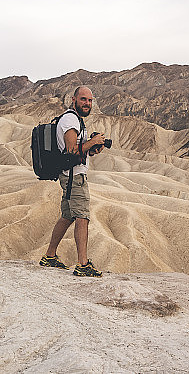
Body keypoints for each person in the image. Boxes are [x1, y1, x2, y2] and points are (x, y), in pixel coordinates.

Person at [39, 86, 107, 277]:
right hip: (74, 178)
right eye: (84, 99)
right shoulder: (70, 120)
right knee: (82, 217)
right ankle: (83, 264)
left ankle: (49, 256)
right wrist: (91, 143)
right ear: (73, 99)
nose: (87, 103)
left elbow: (80, 151)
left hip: (70, 175)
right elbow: (71, 151)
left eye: (90, 100)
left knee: (67, 216)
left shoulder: (76, 121)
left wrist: (94, 148)